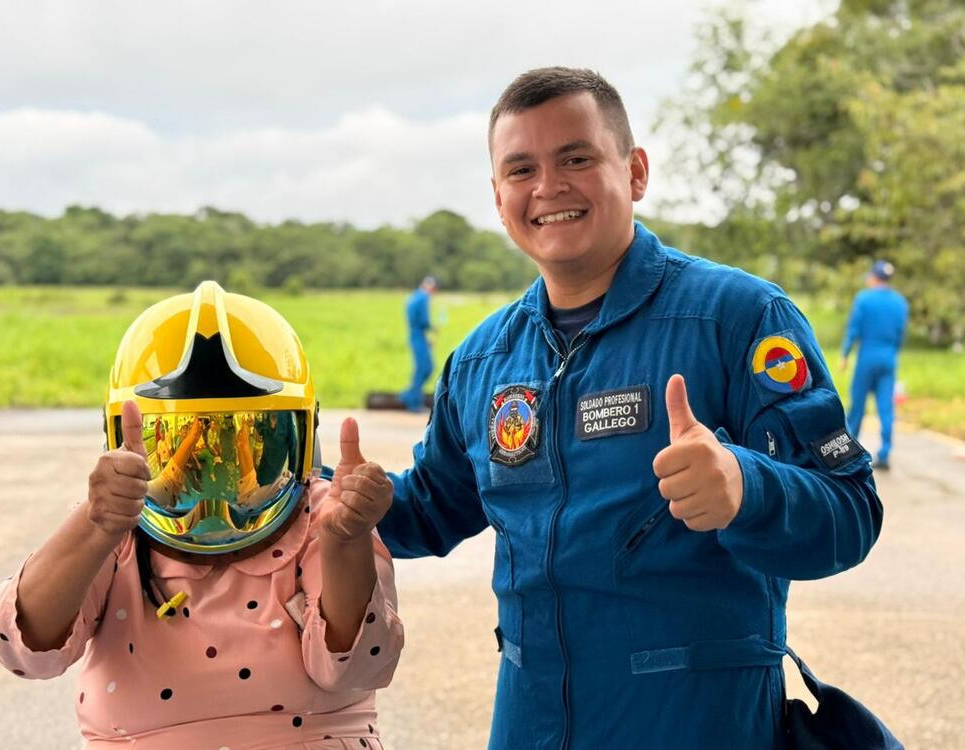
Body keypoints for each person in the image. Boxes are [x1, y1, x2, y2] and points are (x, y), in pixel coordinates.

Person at [345, 67, 883, 749]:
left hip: (698, 723)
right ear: (497, 197)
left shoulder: (738, 320)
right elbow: (432, 508)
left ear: (634, 172)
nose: (548, 188)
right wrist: (335, 496)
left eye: (576, 158)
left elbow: (852, 512)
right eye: (521, 170)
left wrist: (746, 487)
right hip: (531, 723)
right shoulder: (483, 362)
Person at [0, 281, 402, 749]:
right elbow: (25, 652)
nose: (214, 504)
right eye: (182, 448)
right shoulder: (114, 527)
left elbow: (358, 667)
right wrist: (95, 524)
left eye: (247, 440)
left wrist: (347, 543)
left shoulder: (326, 520)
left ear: (303, 440)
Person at [840, 260, 909, 470]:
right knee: (886, 407)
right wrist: (892, 352)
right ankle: (885, 453)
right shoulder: (900, 302)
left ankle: (849, 454)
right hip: (888, 357)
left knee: (858, 406)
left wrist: (845, 354)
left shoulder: (864, 298)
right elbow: (900, 334)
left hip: (867, 356)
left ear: (874, 277)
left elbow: (854, 329)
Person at [398, 276, 437, 412]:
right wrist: (433, 327)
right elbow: (424, 321)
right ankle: (411, 399)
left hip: (416, 335)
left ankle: (411, 395)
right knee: (425, 368)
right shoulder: (423, 298)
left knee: (422, 368)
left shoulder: (414, 297)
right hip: (418, 336)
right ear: (431, 287)